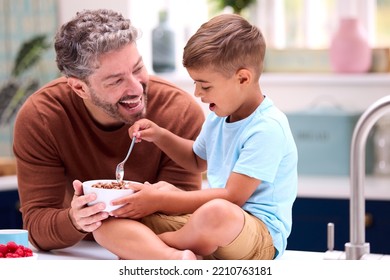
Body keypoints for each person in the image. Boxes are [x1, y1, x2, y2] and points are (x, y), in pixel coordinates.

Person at [93, 13, 298, 260]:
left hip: (256, 236)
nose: (198, 93)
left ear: (243, 78)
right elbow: (196, 160)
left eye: (205, 85)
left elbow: (233, 197)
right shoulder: (218, 116)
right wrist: (159, 135)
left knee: (218, 212)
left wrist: (162, 199)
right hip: (205, 230)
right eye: (195, 83)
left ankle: (154, 249)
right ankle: (178, 259)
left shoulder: (267, 128)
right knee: (108, 222)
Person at [13, 9, 205, 259]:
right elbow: (36, 226)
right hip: (79, 256)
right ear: (79, 87)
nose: (136, 88)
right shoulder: (42, 118)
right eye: (116, 81)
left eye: (138, 68)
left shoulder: (179, 112)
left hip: (159, 254)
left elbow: (185, 220)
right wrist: (75, 220)